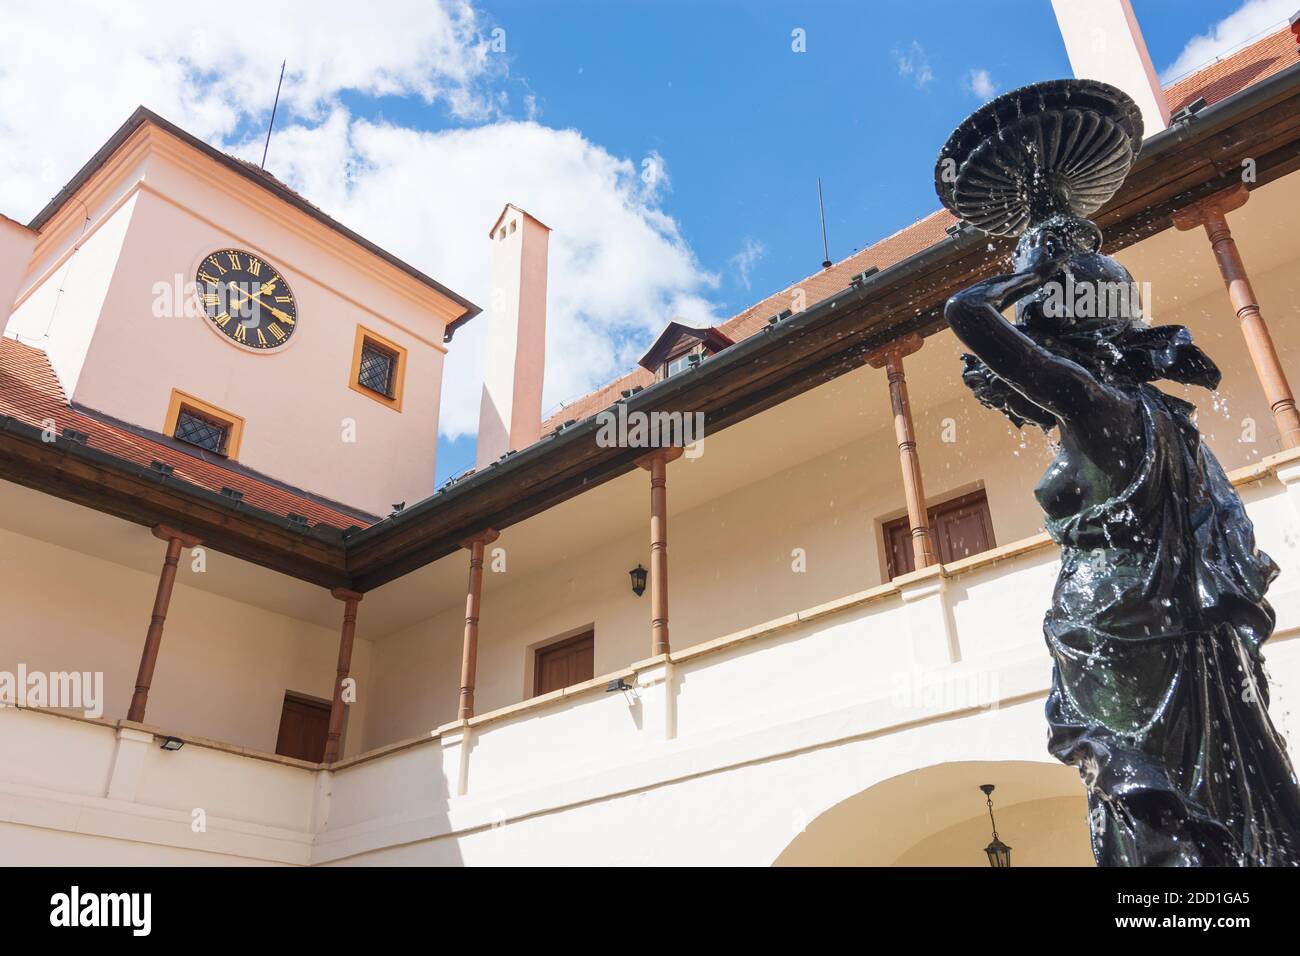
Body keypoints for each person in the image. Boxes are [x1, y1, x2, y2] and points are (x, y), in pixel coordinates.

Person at [945, 213, 1300, 865]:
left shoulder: (1093, 406)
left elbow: (965, 312)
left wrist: (1030, 271)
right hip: (1170, 631)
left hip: (1112, 637)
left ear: (1066, 342)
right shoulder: (1165, 419)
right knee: (1204, 796)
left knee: (1150, 809)